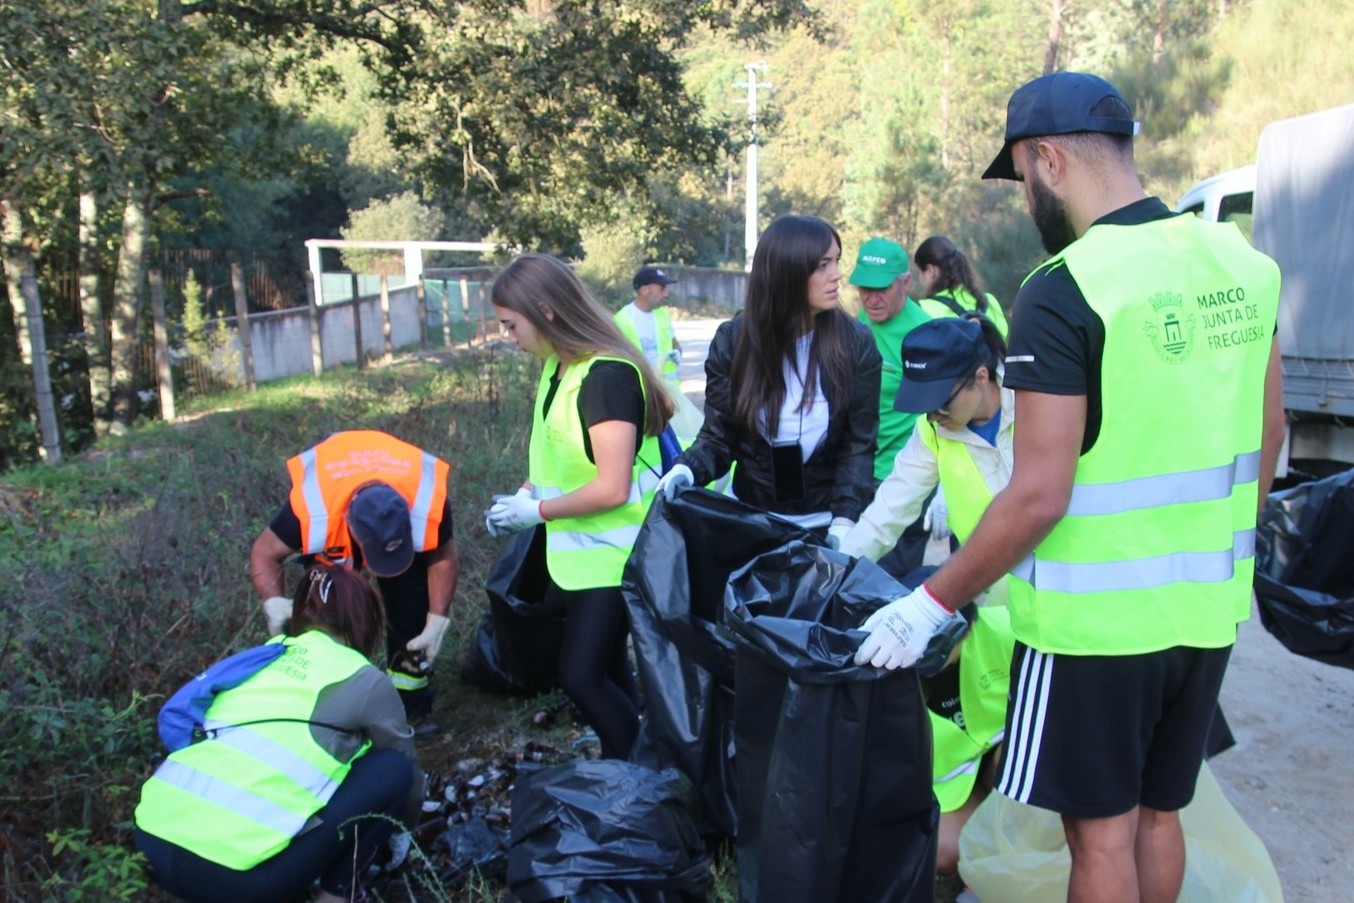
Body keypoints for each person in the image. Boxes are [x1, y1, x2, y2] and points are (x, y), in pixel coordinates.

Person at [855, 72, 1285, 903]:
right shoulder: (1242, 262)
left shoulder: (1065, 287)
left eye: (1020, 178)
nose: (1025, 199)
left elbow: (1040, 491)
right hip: (1206, 607)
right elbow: (1267, 438)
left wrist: (929, 601)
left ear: (1047, 159)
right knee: (1163, 815)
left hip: (1095, 626)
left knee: (1099, 838)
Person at [135, 564, 425, 903]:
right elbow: (409, 782)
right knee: (392, 770)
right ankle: (335, 897)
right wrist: (399, 831)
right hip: (234, 881)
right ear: (365, 620)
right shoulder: (362, 677)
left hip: (149, 842)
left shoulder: (262, 658)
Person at [484, 253, 674, 760]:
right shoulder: (557, 367)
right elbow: (554, 454)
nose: (509, 336)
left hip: (617, 556)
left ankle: (640, 773)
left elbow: (612, 488)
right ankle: (630, 762)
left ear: (545, 311)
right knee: (609, 670)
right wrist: (523, 495)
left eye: (511, 324)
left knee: (580, 675)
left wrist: (537, 514)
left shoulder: (605, 377)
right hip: (581, 556)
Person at [656, 214, 882, 545]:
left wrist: (845, 523)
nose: (837, 275)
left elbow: (859, 446)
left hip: (827, 529)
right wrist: (685, 470)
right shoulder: (734, 342)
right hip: (750, 525)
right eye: (822, 265)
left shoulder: (856, 344)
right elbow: (719, 437)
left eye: (836, 261)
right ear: (785, 272)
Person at [250, 430, 458, 725]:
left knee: (410, 604)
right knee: (324, 608)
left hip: (395, 490)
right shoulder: (312, 512)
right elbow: (264, 552)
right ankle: (328, 705)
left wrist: (437, 621)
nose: (376, 570)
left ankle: (409, 709)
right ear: (351, 529)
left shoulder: (427, 503)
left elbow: (443, 556)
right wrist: (274, 601)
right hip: (335, 503)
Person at [841, 315, 1013, 606]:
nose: (934, 417)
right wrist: (834, 572)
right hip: (991, 602)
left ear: (981, 377)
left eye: (942, 404)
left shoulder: (1036, 402)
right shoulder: (932, 431)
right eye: (925, 407)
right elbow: (887, 513)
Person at [847, 237, 935, 577]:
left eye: (881, 289)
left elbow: (942, 417)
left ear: (905, 283)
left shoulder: (925, 335)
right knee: (853, 572)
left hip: (905, 475)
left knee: (889, 580)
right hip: (861, 469)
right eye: (864, 288)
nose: (871, 298)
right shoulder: (861, 323)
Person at [914, 235, 1010, 339]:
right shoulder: (990, 301)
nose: (920, 280)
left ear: (931, 270)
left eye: (919, 272)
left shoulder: (923, 309)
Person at [615, 265, 683, 393]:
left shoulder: (663, 315)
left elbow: (675, 344)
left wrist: (678, 352)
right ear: (645, 290)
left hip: (668, 393)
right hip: (640, 392)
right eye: (662, 289)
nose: (666, 294)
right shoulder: (621, 320)